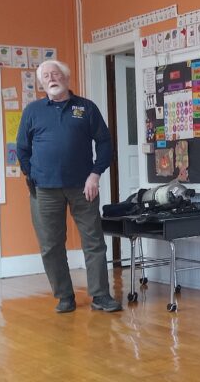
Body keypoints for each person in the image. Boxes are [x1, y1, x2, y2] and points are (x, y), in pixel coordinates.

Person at [16, 60, 122, 314]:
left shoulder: (86, 108)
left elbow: (105, 144)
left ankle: (100, 296)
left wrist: (95, 174)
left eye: (55, 74)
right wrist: (35, 176)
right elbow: (22, 149)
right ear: (41, 84)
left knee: (94, 242)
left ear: (66, 78)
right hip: (44, 189)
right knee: (50, 245)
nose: (51, 78)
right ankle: (64, 296)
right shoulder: (33, 111)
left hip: (83, 187)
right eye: (46, 76)